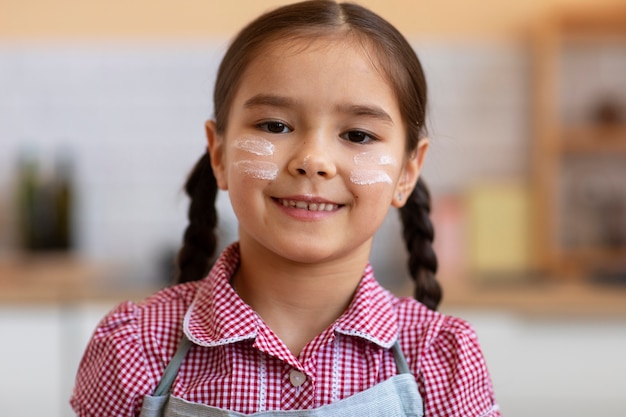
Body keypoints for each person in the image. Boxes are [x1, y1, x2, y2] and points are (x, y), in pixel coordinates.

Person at [71, 1, 500, 416]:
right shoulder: (134, 348)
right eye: (275, 126)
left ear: (407, 171)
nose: (313, 159)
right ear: (219, 154)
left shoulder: (443, 359)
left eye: (358, 135)